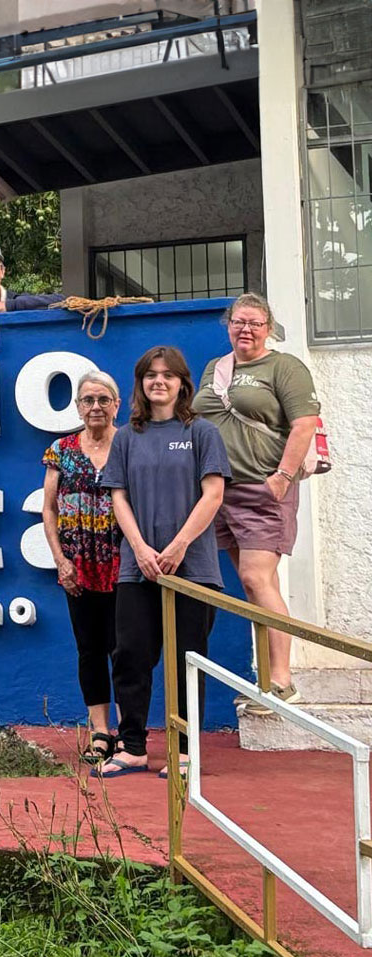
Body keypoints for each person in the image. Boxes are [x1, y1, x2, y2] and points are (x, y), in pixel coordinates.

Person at [96, 347, 228, 779]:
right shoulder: (127, 438)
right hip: (138, 569)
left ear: (182, 383)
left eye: (168, 375)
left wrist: (177, 547)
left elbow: (213, 495)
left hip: (192, 569)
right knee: (131, 654)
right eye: (151, 375)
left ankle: (187, 753)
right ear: (140, 383)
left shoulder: (201, 432)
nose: (159, 382)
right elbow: (118, 496)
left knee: (187, 660)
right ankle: (132, 747)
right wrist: (140, 548)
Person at [190, 293, 322, 708]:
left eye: (255, 323)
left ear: (268, 329)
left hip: (263, 491)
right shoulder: (217, 368)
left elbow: (304, 423)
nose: (246, 329)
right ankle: (270, 677)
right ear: (228, 325)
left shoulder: (283, 367)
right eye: (239, 322)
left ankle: (282, 680)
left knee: (255, 578)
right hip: (219, 492)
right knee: (255, 585)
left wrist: (282, 478)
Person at [40, 372, 124, 764]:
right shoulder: (62, 449)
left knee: (125, 649)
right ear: (77, 406)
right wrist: (61, 561)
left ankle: (130, 729)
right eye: (88, 400)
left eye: (103, 400)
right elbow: (49, 508)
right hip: (78, 567)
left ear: (116, 405)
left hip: (124, 564)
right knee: (90, 649)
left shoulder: (129, 445)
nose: (95, 407)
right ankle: (100, 730)